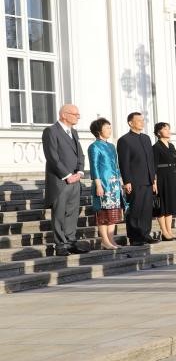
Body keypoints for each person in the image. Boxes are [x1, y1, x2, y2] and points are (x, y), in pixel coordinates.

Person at [41, 103, 85, 256]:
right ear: (64, 115)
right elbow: (52, 156)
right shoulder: (51, 131)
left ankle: (71, 242)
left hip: (75, 180)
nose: (78, 117)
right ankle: (60, 245)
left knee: (72, 213)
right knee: (59, 214)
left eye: (78, 114)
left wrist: (79, 172)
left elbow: (80, 154)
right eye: (75, 114)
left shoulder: (74, 132)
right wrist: (67, 175)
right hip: (60, 181)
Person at [117, 111, 157, 246]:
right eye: (139, 120)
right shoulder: (124, 140)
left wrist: (154, 179)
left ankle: (145, 234)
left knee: (146, 210)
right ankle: (134, 237)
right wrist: (127, 181)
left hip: (148, 179)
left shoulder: (146, 138)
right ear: (130, 123)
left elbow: (151, 160)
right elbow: (124, 162)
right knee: (135, 209)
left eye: (142, 120)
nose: (142, 122)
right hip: (134, 181)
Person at [87, 118, 124, 250]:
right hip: (103, 184)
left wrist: (120, 181)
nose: (110, 129)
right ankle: (104, 240)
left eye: (110, 127)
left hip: (114, 184)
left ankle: (111, 239)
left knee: (113, 213)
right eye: (107, 127)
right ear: (98, 131)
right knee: (103, 214)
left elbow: (116, 165)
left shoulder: (111, 146)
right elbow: (94, 166)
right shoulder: (94, 147)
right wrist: (98, 184)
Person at [152, 122, 176, 242]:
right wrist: (154, 181)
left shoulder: (172, 146)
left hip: (172, 176)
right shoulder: (155, 147)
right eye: (165, 129)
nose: (168, 131)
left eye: (168, 128)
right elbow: (153, 165)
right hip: (161, 177)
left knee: (170, 204)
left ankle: (169, 231)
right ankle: (164, 231)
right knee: (162, 205)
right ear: (159, 132)